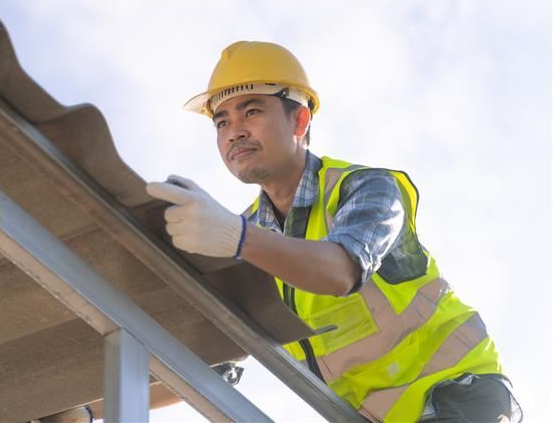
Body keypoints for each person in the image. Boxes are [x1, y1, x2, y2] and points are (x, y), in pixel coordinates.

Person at [146, 41, 521, 422]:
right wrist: (90, 411)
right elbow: (217, 362)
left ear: (300, 121)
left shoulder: (366, 189)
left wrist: (236, 237)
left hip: (456, 395)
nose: (234, 132)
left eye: (251, 112)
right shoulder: (247, 235)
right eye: (222, 121)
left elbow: (341, 270)